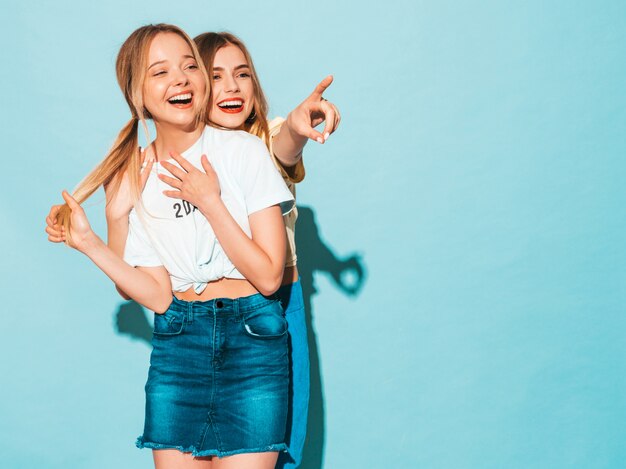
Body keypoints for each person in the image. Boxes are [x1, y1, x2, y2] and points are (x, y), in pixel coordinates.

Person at [45, 23, 294, 469]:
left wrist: (210, 203)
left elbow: (270, 275)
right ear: (138, 96)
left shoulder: (245, 153)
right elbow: (156, 294)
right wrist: (93, 239)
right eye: (160, 72)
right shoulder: (139, 175)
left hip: (253, 342)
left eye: (188, 66)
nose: (180, 79)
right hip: (179, 346)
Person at [192, 32, 340, 469]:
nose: (232, 86)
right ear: (193, 87)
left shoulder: (264, 143)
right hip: (209, 311)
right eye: (216, 76)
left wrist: (298, 126)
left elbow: (285, 148)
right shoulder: (184, 155)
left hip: (276, 305)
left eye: (242, 75)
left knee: (281, 441)